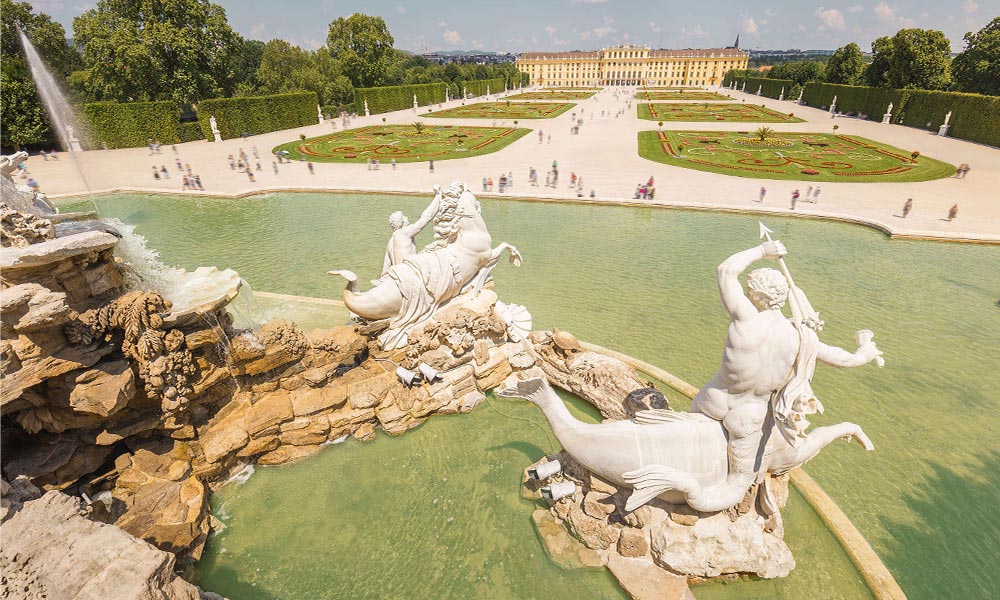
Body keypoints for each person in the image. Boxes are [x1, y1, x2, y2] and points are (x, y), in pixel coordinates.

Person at [673, 240, 882, 511]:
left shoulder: (745, 317)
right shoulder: (801, 339)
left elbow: (725, 270)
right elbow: (847, 360)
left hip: (713, 399)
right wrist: (866, 349)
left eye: (749, 291)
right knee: (736, 484)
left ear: (753, 294)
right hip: (748, 417)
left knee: (685, 447)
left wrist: (762, 252)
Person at [378, 188, 442, 279]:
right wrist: (437, 197)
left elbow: (384, 271)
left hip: (398, 277)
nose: (407, 217)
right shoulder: (404, 233)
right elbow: (425, 218)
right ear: (402, 222)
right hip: (410, 276)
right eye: (404, 217)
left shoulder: (391, 242)